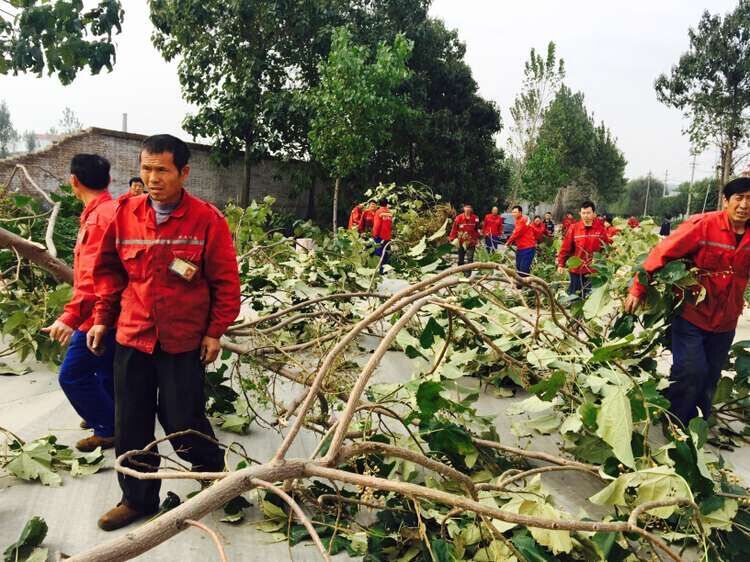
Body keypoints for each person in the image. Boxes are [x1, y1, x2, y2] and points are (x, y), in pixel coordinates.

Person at [87, 135, 241, 531]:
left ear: (183, 173)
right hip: (133, 336)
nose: (152, 178)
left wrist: (214, 332)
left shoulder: (207, 220)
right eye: (146, 169)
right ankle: (137, 498)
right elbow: (108, 273)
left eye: (162, 170)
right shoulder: (125, 215)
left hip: (182, 340)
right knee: (131, 422)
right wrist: (102, 318)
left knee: (182, 418)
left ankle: (215, 481)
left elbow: (225, 282)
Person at [624, 177, 750, 426]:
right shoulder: (704, 226)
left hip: (726, 320)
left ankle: (698, 425)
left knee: (711, 375)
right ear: (726, 200)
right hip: (693, 314)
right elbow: (663, 251)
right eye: (739, 198)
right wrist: (638, 288)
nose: (745, 205)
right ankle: (676, 426)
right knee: (691, 371)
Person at [42, 154, 117, 453]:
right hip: (114, 310)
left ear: (74, 181)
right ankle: (110, 414)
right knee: (106, 368)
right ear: (109, 180)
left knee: (72, 375)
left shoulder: (99, 219)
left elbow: (93, 277)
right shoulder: (109, 210)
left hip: (98, 313)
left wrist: (69, 317)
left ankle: (108, 427)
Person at [557, 200, 611, 297]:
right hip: (576, 269)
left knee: (590, 297)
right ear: (580, 214)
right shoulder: (573, 228)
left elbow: (605, 248)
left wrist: (605, 260)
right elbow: (565, 247)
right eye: (583, 213)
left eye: (588, 213)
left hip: (593, 271)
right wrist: (561, 264)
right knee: (575, 296)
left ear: (594, 214)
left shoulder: (600, 229)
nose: (586, 215)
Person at [449, 203, 481, 274]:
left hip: (471, 242)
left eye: (469, 209)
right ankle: (461, 272)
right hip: (461, 241)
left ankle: (468, 274)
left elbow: (476, 229)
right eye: (466, 208)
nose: (468, 210)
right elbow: (454, 228)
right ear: (464, 209)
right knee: (461, 259)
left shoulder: (475, 218)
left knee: (470, 258)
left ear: (471, 210)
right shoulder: (458, 218)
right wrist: (452, 238)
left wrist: (478, 239)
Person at [506, 205, 537, 276]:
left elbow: (516, 233)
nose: (513, 214)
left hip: (528, 248)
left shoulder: (523, 219)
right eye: (512, 212)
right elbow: (518, 233)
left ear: (520, 212)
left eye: (515, 212)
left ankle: (526, 284)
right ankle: (519, 285)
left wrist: (508, 242)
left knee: (524, 268)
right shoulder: (517, 221)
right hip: (520, 248)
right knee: (518, 267)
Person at [372, 198, 393, 271]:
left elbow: (377, 225)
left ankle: (379, 271)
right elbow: (391, 225)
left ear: (379, 204)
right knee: (386, 254)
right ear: (386, 204)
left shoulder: (378, 212)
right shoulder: (389, 213)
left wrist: (375, 235)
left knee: (379, 254)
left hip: (380, 236)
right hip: (387, 236)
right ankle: (385, 270)